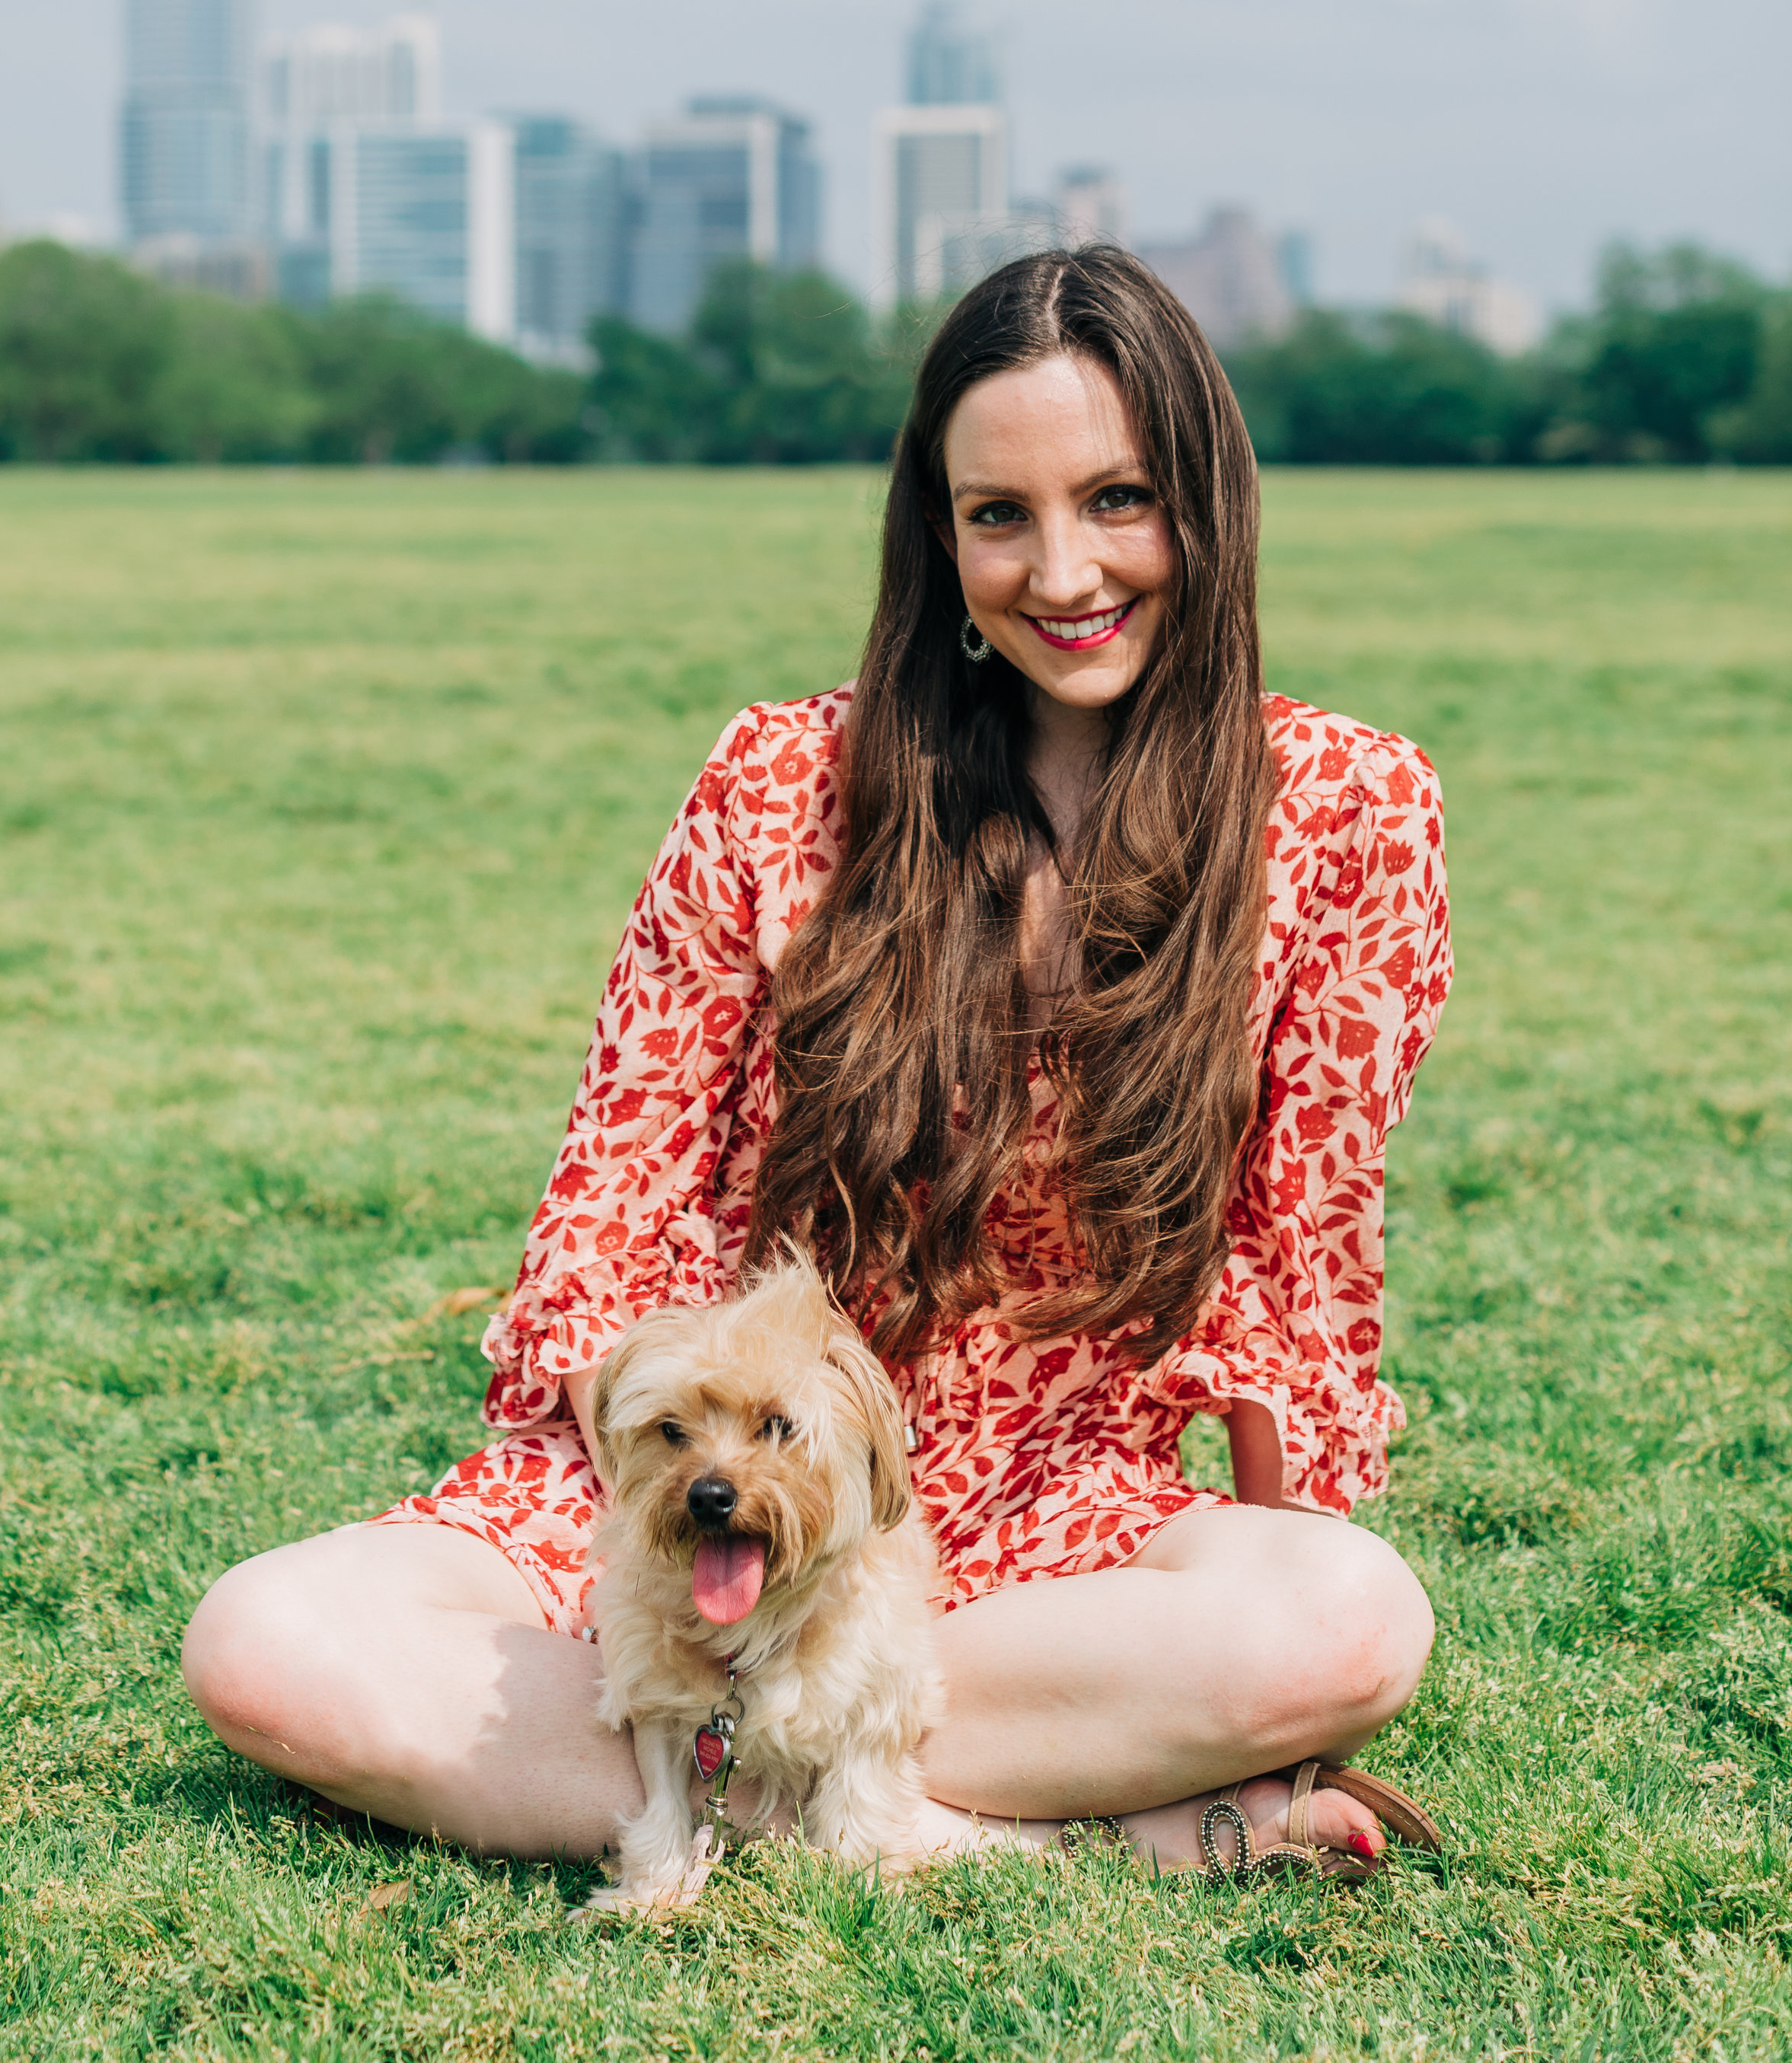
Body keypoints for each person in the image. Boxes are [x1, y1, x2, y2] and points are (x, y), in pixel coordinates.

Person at [183, 247, 1451, 1878]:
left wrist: (1283, 1629)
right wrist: (651, 1524)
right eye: (997, 513)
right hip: (724, 1473)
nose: (1060, 569)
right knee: (267, 1639)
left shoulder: (1352, 814)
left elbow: (1297, 1269)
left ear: (1209, 500)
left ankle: (704, 1779)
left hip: (1055, 1509)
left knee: (1347, 1622)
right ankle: (973, 1830)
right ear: (937, 532)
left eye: (1118, 498)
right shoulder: (778, 782)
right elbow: (613, 1193)